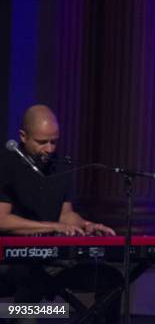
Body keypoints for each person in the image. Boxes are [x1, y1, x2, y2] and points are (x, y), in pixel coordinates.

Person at [0, 104, 121, 323]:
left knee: (112, 280)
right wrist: (54, 227)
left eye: (54, 142)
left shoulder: (60, 167)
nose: (49, 149)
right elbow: (2, 220)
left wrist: (86, 225)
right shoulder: (7, 165)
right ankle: (16, 316)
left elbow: (66, 215)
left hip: (51, 261)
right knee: (32, 283)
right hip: (12, 263)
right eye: (42, 142)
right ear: (23, 136)